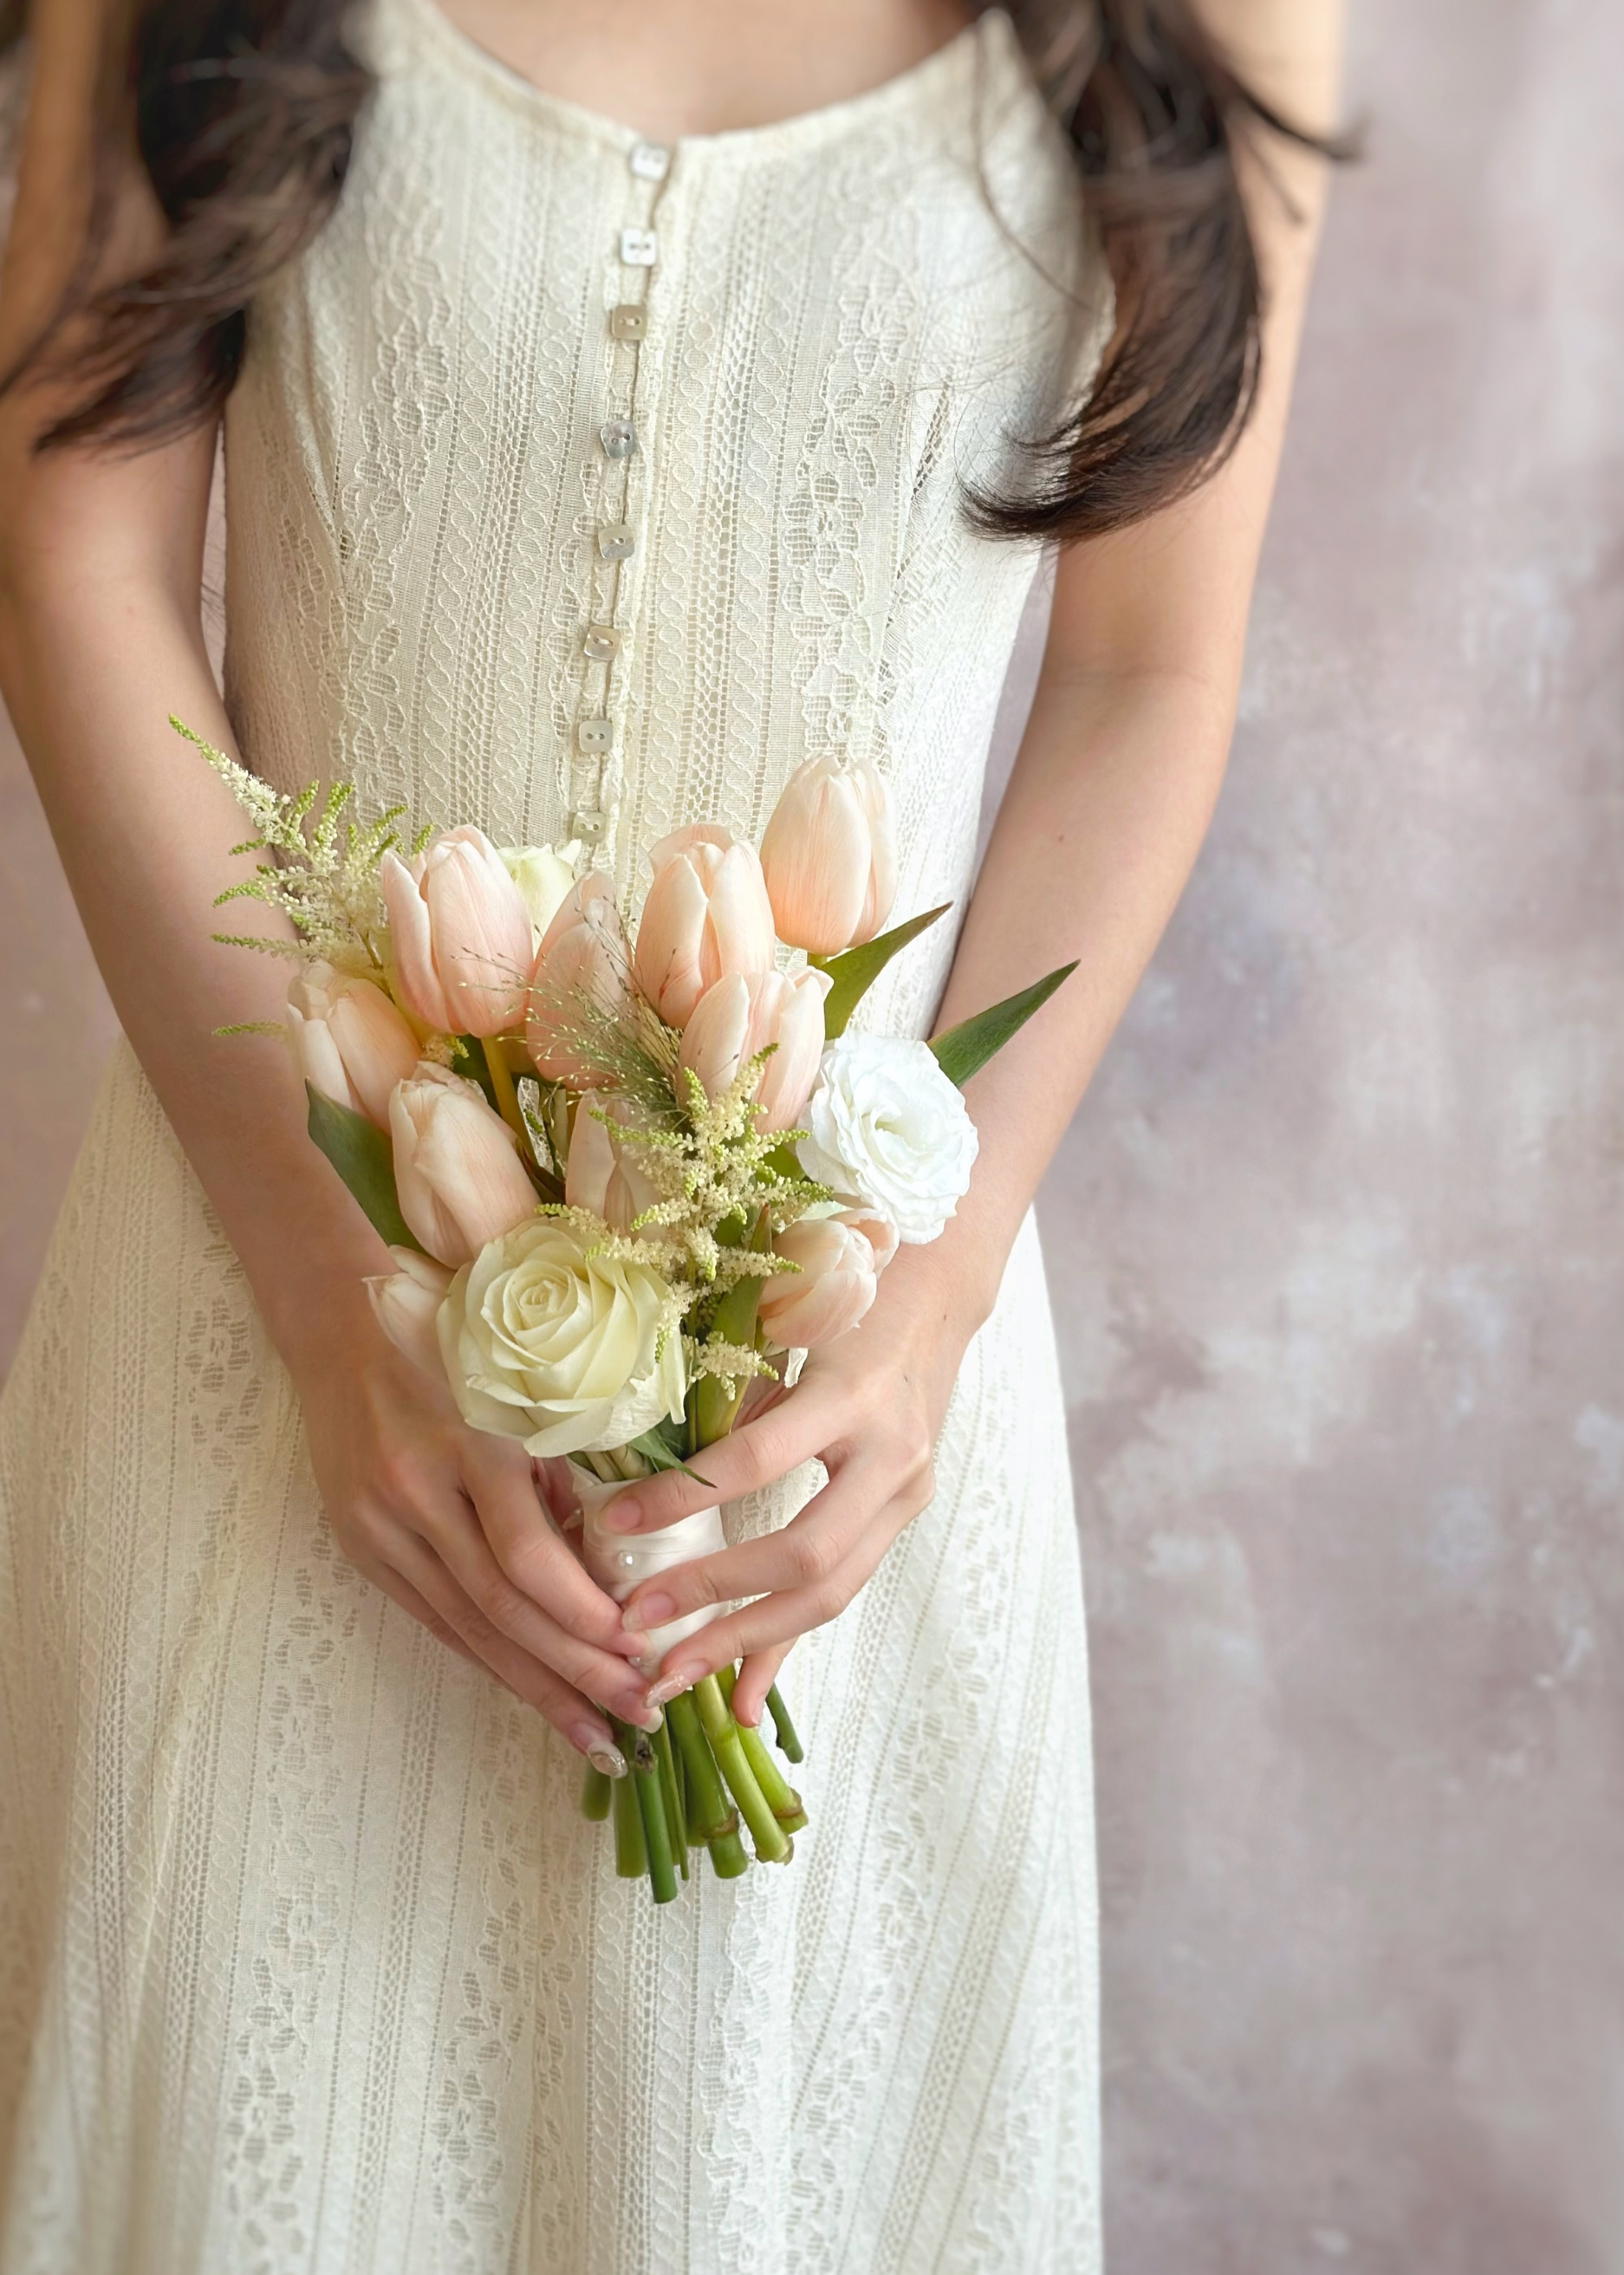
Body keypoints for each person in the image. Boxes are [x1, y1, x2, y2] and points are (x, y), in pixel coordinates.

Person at [0, 0, 1341, 2265]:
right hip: (270, 1359)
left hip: (843, 1406)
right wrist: (342, 1296)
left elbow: (1149, 672)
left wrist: (915, 1310)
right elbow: (76, 568)